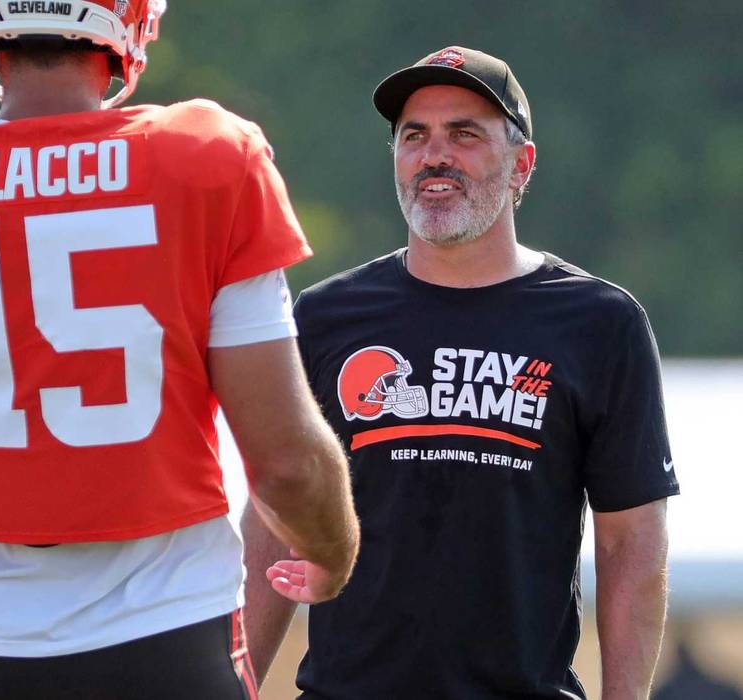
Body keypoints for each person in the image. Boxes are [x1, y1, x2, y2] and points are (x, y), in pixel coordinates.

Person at [0, 1, 359, 698]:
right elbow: (285, 465)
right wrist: (332, 552)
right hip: (170, 633)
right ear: (123, 26)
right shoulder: (208, 156)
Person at [241, 46, 680, 699]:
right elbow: (279, 518)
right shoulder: (327, 315)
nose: (433, 154)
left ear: (520, 165)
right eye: (413, 136)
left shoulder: (598, 322)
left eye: (464, 134)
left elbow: (630, 545)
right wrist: (236, 683)